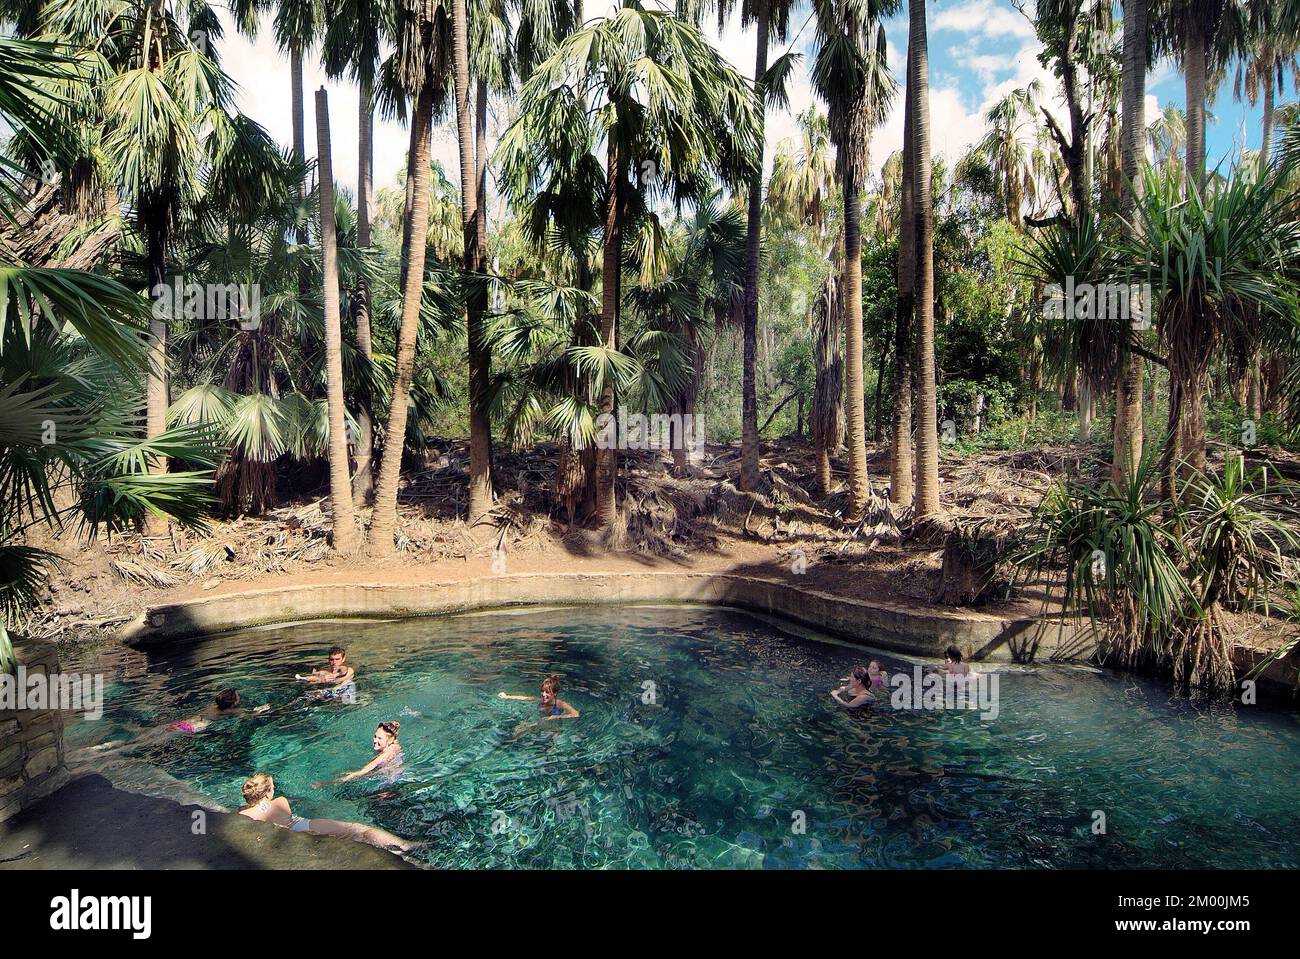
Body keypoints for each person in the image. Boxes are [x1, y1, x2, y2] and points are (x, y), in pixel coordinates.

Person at [238, 773, 412, 852]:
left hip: (286, 839)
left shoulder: (244, 816)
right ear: (268, 792)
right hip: (300, 826)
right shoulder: (280, 801)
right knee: (357, 830)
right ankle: (404, 845)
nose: (274, 790)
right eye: (273, 788)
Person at [87, 688, 268, 753]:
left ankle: (105, 746)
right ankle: (107, 752)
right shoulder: (233, 712)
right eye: (238, 697)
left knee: (139, 739)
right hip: (190, 729)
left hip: (180, 723)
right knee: (139, 745)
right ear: (233, 702)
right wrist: (263, 709)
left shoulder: (212, 707)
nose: (240, 698)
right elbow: (250, 715)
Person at [313, 721, 405, 788]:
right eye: (375, 736)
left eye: (379, 738)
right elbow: (394, 732)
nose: (375, 740)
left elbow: (362, 772)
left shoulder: (383, 756)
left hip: (387, 783)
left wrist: (325, 783)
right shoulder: (394, 744)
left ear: (390, 740)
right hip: (393, 774)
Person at [498, 673, 579, 719]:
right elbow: (524, 698)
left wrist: (556, 717)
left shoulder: (560, 704)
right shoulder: (541, 700)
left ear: (555, 693)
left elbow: (576, 714)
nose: (543, 694)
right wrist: (507, 696)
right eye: (542, 691)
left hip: (553, 729)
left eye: (547, 692)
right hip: (539, 722)